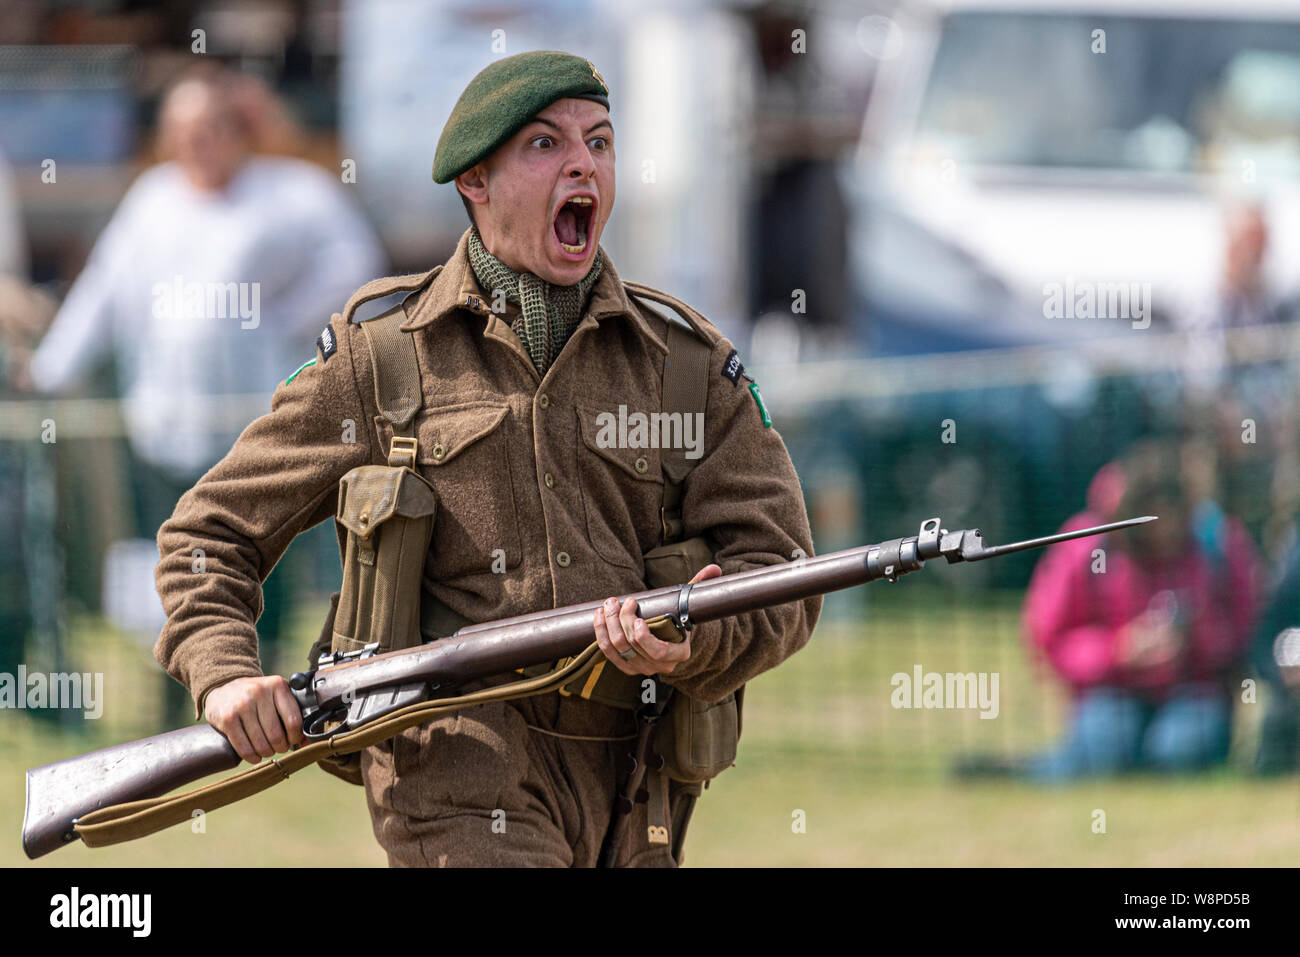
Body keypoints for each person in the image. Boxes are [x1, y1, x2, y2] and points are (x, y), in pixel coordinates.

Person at [153, 51, 820, 867]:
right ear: (475, 180)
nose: (584, 163)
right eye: (546, 146)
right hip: (457, 775)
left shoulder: (686, 364)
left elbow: (783, 569)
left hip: (639, 783)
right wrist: (224, 673)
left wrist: (697, 644)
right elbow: (208, 533)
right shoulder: (382, 360)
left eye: (601, 144)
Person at [19, 65, 385, 723]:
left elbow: (352, 264)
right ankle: (180, 700)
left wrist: (289, 324)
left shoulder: (291, 193)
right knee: (178, 565)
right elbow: (102, 292)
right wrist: (48, 371)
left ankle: (271, 697)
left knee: (254, 567)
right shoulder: (151, 200)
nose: (198, 143)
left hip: (253, 428)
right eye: (183, 131)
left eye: (211, 129)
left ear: (237, 132)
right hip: (165, 423)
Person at [1018, 441, 1260, 780]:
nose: (1163, 535)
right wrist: (1119, 649)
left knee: (1178, 751)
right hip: (1111, 690)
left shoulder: (1218, 544)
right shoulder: (1086, 546)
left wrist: (1196, 636)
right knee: (1109, 749)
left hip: (1195, 690)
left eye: (1171, 521)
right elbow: (1049, 639)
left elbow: (1248, 630)